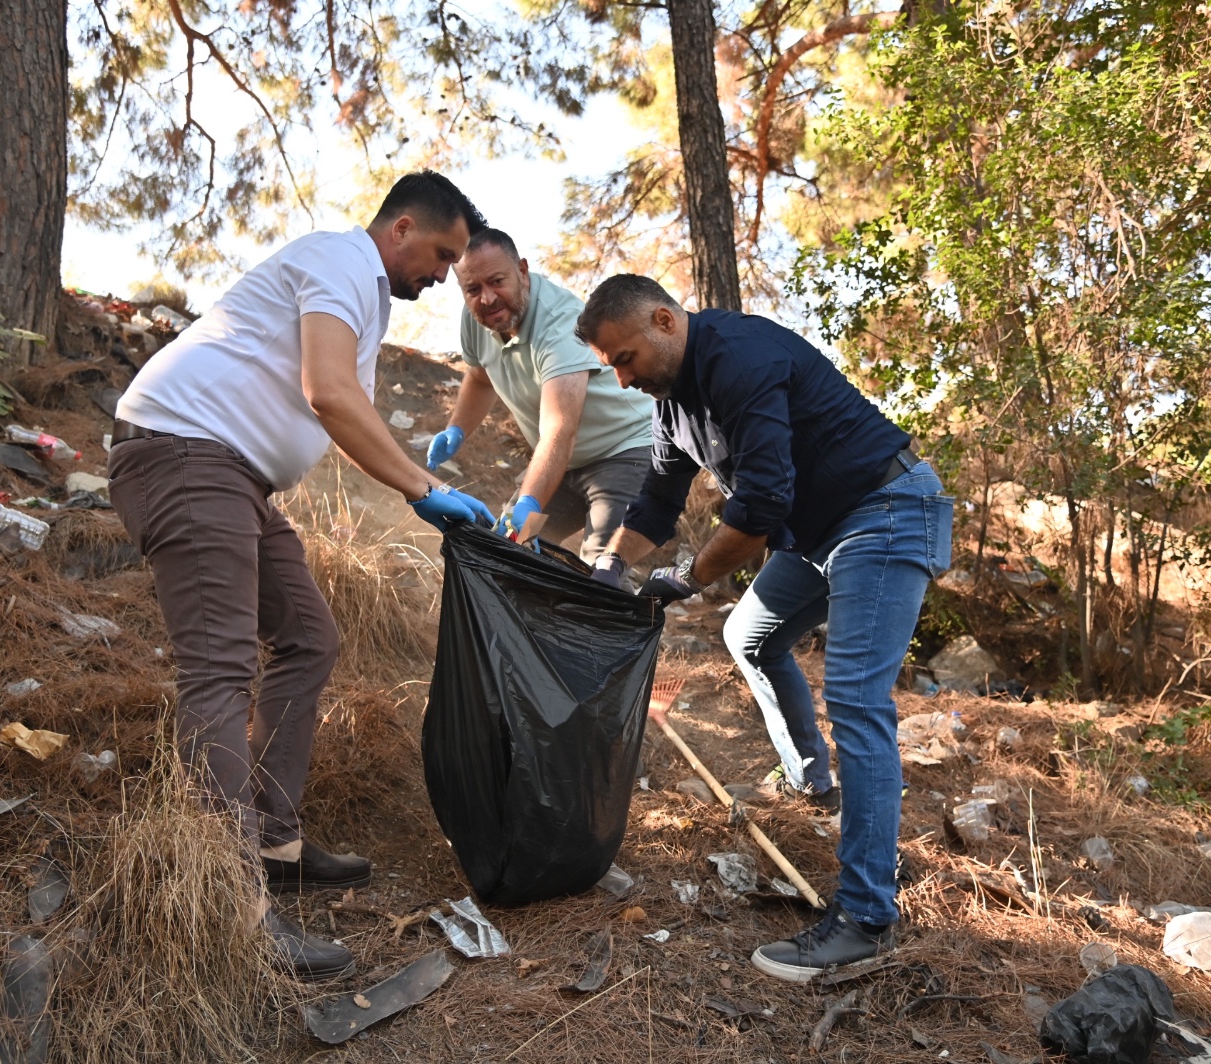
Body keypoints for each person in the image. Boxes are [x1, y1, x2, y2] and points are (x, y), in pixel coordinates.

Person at [109, 171, 496, 981]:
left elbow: (340, 400)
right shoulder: (339, 261)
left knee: (310, 637)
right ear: (401, 228)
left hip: (231, 473)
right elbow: (329, 393)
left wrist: (420, 484)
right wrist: (422, 489)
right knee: (217, 670)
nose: (444, 276)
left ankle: (273, 838)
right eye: (442, 254)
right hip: (184, 453)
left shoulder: (370, 296)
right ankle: (231, 899)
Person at [576, 275, 953, 983]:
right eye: (611, 367)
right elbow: (657, 502)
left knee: (857, 702)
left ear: (663, 321)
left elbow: (762, 501)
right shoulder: (671, 403)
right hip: (820, 533)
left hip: (886, 509)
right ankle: (812, 779)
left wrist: (690, 578)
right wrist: (607, 568)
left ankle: (866, 918)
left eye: (624, 359)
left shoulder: (737, 358)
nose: (621, 378)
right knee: (750, 636)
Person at [425, 229, 655, 561]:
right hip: (564, 464)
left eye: (497, 281)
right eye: (473, 289)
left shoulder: (560, 324)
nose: (487, 298)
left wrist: (529, 503)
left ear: (522, 270)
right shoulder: (476, 320)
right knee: (508, 554)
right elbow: (479, 378)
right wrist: (456, 429)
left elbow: (561, 429)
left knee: (602, 569)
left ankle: (617, 610)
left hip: (625, 449)